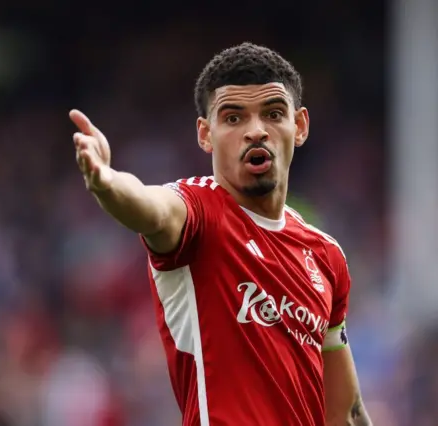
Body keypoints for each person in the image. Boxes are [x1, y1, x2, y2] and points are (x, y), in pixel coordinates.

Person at [70, 42, 373, 426]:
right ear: (205, 134)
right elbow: (151, 207)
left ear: (299, 126)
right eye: (233, 118)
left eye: (273, 113)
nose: (256, 131)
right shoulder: (198, 213)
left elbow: (345, 412)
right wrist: (107, 182)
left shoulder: (326, 256)